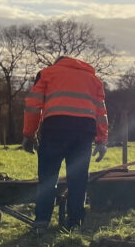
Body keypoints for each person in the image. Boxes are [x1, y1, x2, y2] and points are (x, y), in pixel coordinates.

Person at [22, 56, 108, 232]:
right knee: (78, 179)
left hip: (55, 128)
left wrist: (29, 135)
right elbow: (101, 112)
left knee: (48, 177)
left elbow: (32, 105)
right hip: (84, 131)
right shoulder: (94, 80)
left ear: (57, 62)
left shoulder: (47, 73)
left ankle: (41, 222)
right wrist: (101, 140)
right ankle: (75, 223)